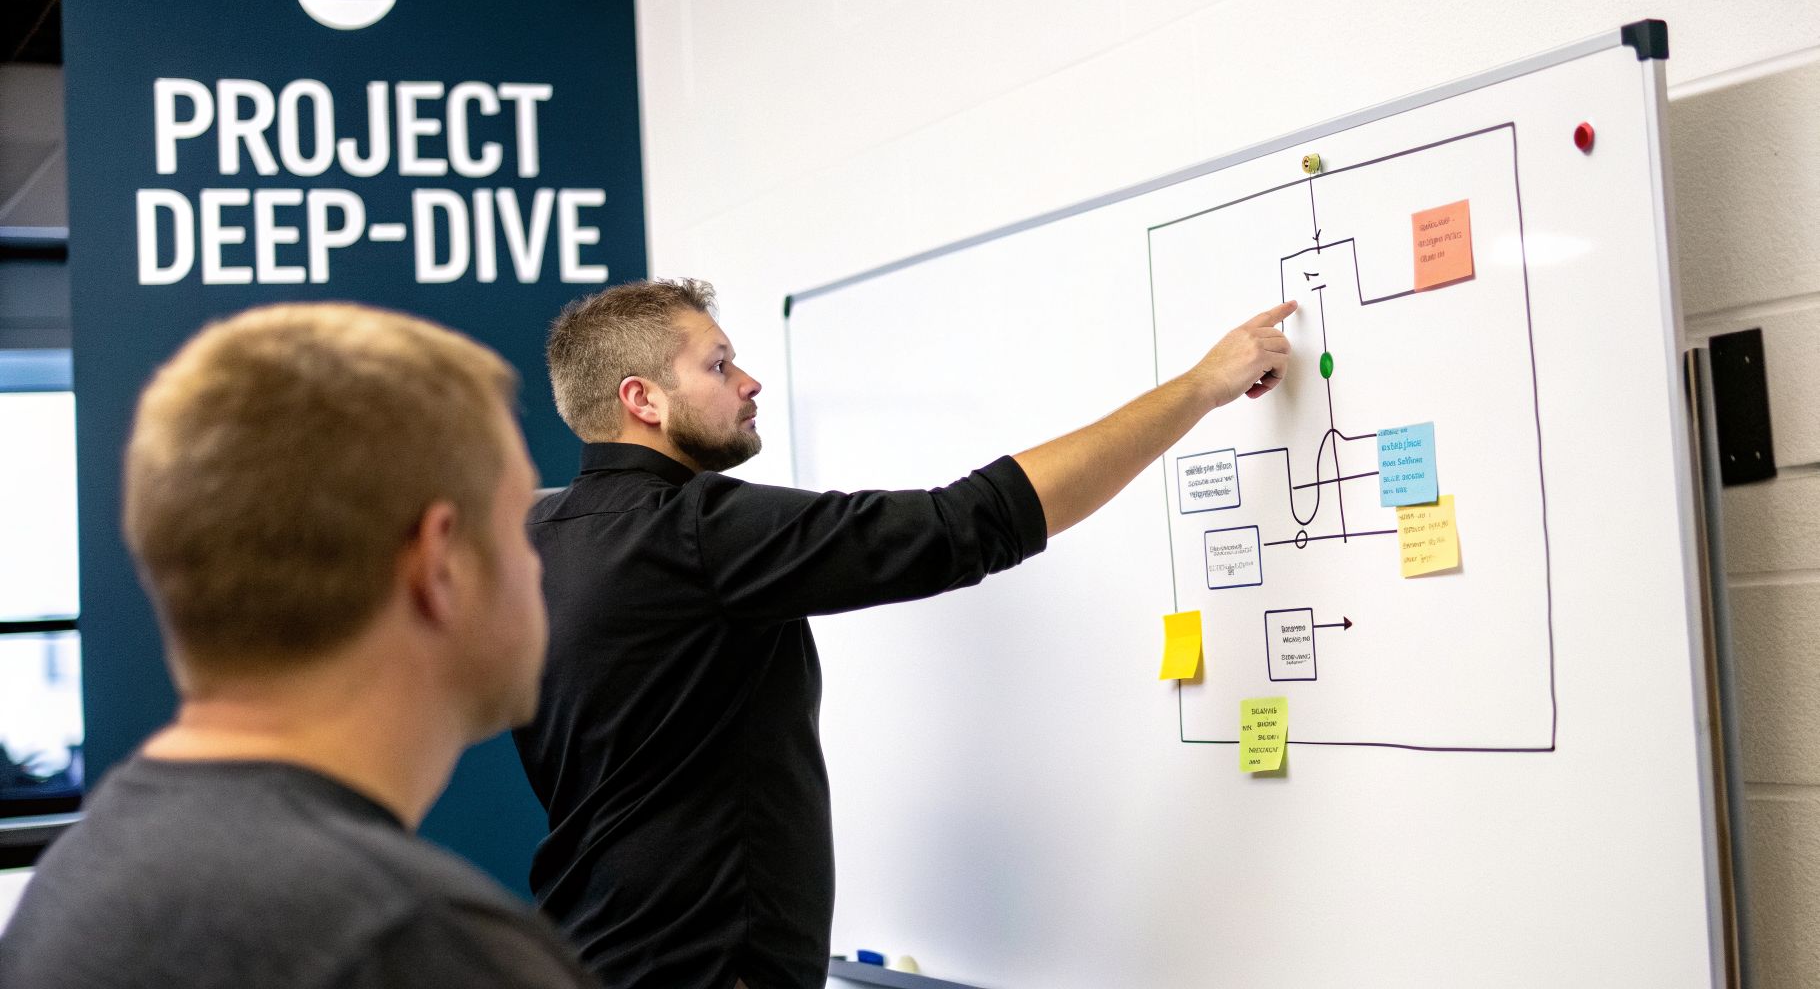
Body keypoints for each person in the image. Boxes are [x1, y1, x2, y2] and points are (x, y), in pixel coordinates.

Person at [517, 279, 1295, 988]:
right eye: (718, 366)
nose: (749, 382)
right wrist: (1199, 388)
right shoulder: (696, 532)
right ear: (643, 400)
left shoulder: (533, 541)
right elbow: (969, 523)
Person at [0, 304, 596, 989]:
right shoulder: (418, 945)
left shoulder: (82, 872)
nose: (535, 562)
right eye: (520, 527)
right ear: (439, 565)